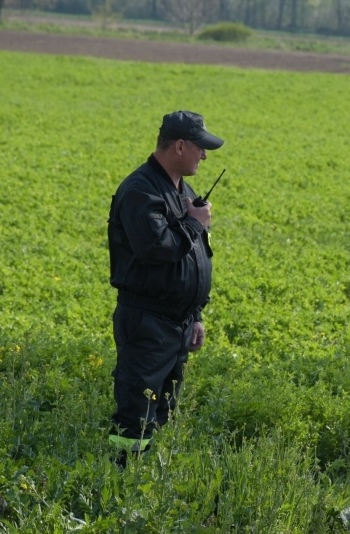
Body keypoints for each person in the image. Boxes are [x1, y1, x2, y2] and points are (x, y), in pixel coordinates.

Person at [106, 110, 224, 466]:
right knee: (136, 413)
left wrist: (196, 315)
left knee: (161, 411)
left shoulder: (182, 190)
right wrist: (194, 223)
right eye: (200, 148)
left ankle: (145, 480)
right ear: (180, 146)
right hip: (148, 322)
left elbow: (193, 257)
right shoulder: (140, 190)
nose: (204, 156)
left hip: (179, 323)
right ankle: (121, 479)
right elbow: (155, 248)